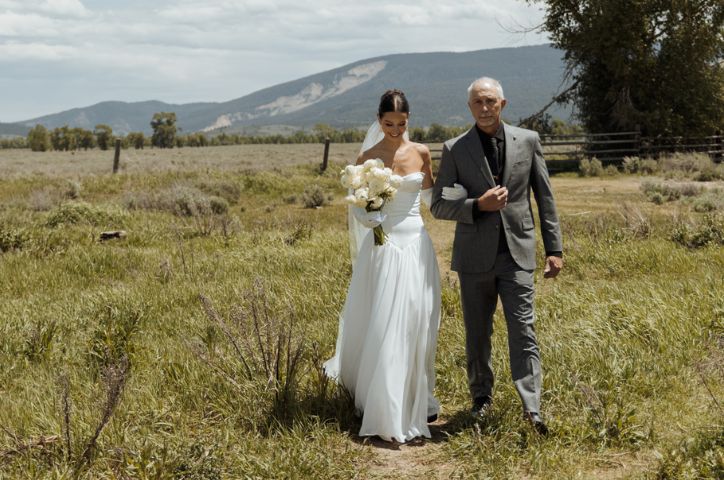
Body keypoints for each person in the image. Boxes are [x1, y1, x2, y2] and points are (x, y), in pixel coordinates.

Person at [324, 89, 465, 443]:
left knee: (418, 322)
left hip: (416, 244)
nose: (395, 129)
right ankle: (386, 408)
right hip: (384, 247)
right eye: (388, 123)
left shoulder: (419, 152)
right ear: (378, 120)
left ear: (409, 120)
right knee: (386, 321)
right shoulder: (367, 158)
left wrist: (466, 200)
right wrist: (368, 217)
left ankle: (415, 399)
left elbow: (431, 195)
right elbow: (359, 206)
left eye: (401, 124)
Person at [431, 77, 563, 434]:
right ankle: (481, 400)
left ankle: (532, 408)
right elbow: (439, 205)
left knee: (523, 329)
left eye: (490, 101)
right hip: (473, 257)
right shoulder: (455, 148)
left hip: (518, 253)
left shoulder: (529, 141)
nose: (485, 108)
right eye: (478, 102)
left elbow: (544, 198)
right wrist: (477, 205)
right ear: (470, 107)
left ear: (503, 104)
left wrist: (555, 249)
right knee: (477, 333)